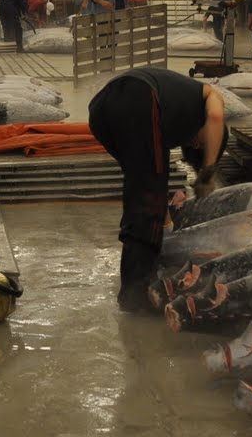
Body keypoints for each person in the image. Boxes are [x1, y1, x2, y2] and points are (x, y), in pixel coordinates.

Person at [88, 67, 228, 312]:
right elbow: (216, 119)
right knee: (148, 201)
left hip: (102, 109)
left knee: (143, 191)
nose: (195, 143)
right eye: (201, 142)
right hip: (137, 96)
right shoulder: (210, 97)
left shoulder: (173, 112)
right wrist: (207, 172)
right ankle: (136, 294)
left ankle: (135, 282)